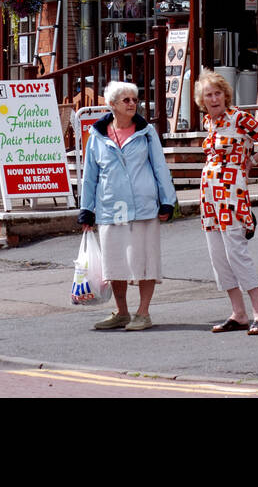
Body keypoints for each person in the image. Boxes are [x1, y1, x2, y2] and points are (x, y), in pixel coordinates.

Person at [78, 80, 177, 332]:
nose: (132, 103)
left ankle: (143, 313)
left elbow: (159, 167)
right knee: (115, 263)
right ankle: (122, 312)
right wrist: (86, 209)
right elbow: (90, 175)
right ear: (112, 105)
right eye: (126, 100)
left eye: (134, 99)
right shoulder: (97, 135)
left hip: (143, 207)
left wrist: (167, 200)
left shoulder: (146, 132)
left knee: (145, 261)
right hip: (111, 207)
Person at [195, 68, 258, 336]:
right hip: (209, 196)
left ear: (226, 94)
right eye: (208, 95)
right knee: (218, 256)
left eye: (217, 93)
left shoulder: (239, 118)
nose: (213, 99)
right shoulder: (209, 123)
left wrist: (251, 162)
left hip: (231, 193)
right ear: (202, 100)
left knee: (236, 252)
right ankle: (238, 313)